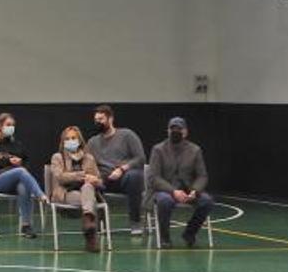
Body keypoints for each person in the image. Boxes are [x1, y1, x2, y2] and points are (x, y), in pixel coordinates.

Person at [150, 117, 214, 248]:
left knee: (206, 201)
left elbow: (202, 175)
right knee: (164, 201)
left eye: (179, 129)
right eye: (172, 129)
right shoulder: (158, 150)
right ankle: (165, 237)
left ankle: (189, 233)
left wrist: (195, 190)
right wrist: (173, 191)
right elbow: (155, 177)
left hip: (188, 190)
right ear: (168, 131)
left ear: (185, 132)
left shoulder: (195, 150)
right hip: (165, 190)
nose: (175, 131)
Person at [85, 105, 148, 235]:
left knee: (135, 176)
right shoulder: (92, 142)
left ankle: (135, 222)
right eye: (96, 119)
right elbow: (87, 164)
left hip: (124, 177)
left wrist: (122, 169)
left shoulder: (127, 135)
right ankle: (99, 224)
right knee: (90, 182)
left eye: (101, 119)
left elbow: (140, 158)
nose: (98, 122)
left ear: (111, 119)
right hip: (103, 178)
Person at [0, 112, 45, 238]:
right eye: (8, 124)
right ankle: (40, 195)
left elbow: (27, 163)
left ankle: (26, 226)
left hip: (15, 182)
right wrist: (8, 161)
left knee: (23, 187)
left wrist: (21, 162)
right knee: (20, 171)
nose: (11, 127)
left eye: (13, 125)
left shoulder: (17, 145)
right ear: (0, 126)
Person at [50, 126, 104, 252]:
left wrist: (95, 180)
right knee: (90, 200)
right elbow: (60, 177)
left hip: (86, 193)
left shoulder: (89, 158)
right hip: (66, 195)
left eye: (73, 138)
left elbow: (100, 182)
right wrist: (82, 176)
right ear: (63, 142)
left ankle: (87, 222)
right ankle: (90, 234)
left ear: (79, 140)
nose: (70, 141)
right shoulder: (58, 157)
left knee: (88, 187)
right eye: (67, 139)